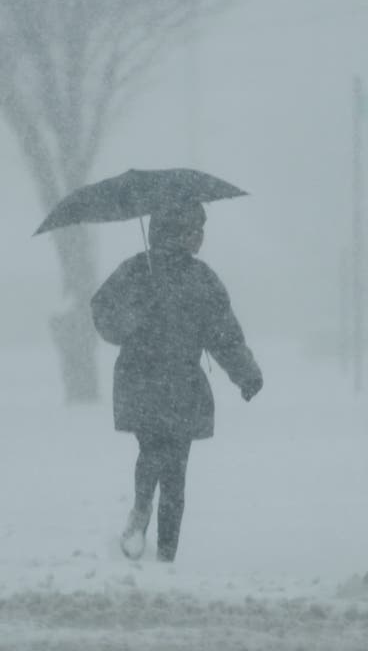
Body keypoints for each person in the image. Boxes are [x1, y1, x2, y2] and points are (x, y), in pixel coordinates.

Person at [90, 201, 262, 563]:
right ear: (176, 234)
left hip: (150, 382)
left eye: (201, 230)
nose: (200, 237)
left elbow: (223, 336)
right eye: (194, 230)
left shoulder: (142, 271)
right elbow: (224, 336)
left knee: (161, 459)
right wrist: (244, 373)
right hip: (168, 383)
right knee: (169, 464)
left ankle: (151, 529)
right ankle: (157, 539)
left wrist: (245, 372)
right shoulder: (192, 278)